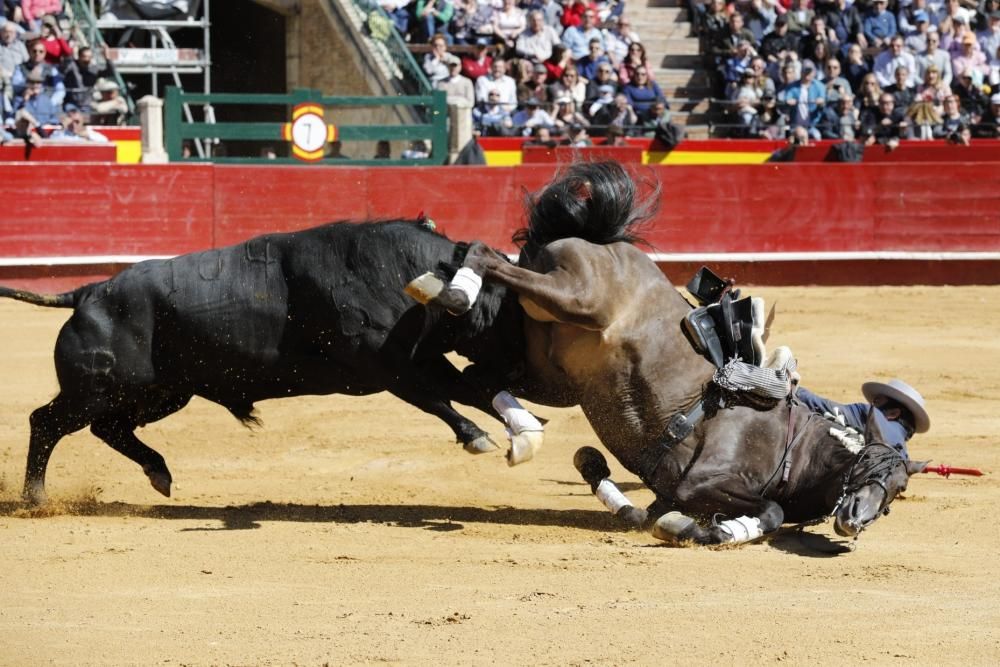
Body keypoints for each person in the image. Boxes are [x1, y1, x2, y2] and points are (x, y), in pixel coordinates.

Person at [796, 379, 929, 460]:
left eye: (877, 401)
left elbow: (823, 407)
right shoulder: (904, 458)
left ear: (893, 413)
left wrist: (793, 388)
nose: (872, 405)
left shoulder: (869, 415)